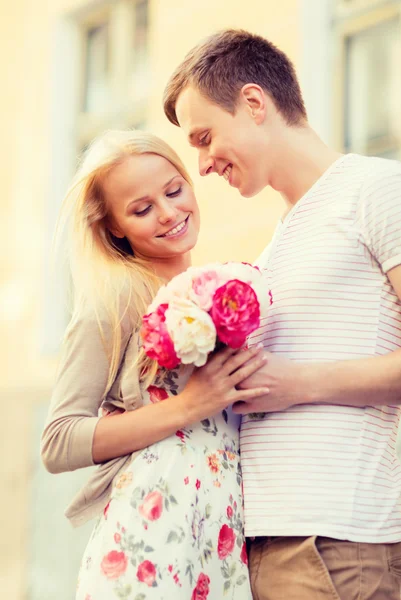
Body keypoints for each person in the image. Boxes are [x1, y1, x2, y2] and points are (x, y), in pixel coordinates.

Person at [163, 29, 401, 600]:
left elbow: (291, 384)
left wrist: (296, 384)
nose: (202, 164)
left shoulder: (376, 189)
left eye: (205, 137)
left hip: (336, 544)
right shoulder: (277, 246)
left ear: (253, 103)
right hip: (265, 548)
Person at [41, 129, 269, 599]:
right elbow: (59, 441)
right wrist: (187, 406)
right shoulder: (117, 298)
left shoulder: (218, 291)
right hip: (152, 536)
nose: (169, 213)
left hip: (217, 537)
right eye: (142, 209)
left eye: (173, 190)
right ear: (113, 228)